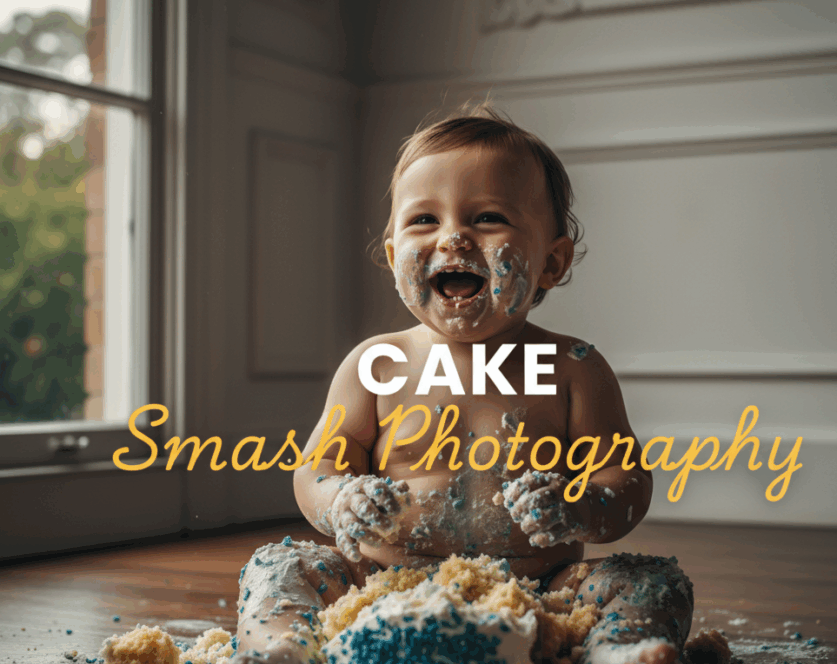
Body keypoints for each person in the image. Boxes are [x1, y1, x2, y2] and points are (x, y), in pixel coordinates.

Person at [233, 104, 693, 664]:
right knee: (279, 568)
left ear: (551, 263)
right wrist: (340, 500)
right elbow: (315, 469)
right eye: (424, 220)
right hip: (378, 586)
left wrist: (578, 505)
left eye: (487, 217)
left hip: (540, 591)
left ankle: (616, 651)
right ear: (391, 255)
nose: (452, 238)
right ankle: (284, 649)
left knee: (649, 581)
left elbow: (627, 479)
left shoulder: (573, 366)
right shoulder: (375, 365)